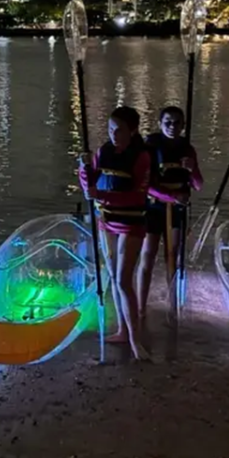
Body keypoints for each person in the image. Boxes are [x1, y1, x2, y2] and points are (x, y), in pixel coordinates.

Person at [78, 105, 152, 361]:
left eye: (119, 130)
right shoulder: (103, 152)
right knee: (111, 274)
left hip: (131, 221)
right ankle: (122, 330)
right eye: (110, 129)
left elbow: (137, 194)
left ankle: (135, 341)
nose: (113, 134)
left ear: (132, 130)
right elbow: (89, 185)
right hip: (106, 220)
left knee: (123, 280)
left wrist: (103, 195)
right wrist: (84, 168)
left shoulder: (141, 157)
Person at [139, 106, 204, 314]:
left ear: (183, 125)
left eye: (177, 123)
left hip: (178, 209)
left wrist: (191, 168)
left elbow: (198, 185)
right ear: (160, 123)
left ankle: (173, 303)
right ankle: (140, 305)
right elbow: (145, 183)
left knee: (173, 254)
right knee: (148, 254)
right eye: (168, 122)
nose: (172, 127)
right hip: (154, 206)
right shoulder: (150, 147)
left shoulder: (188, 149)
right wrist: (171, 196)